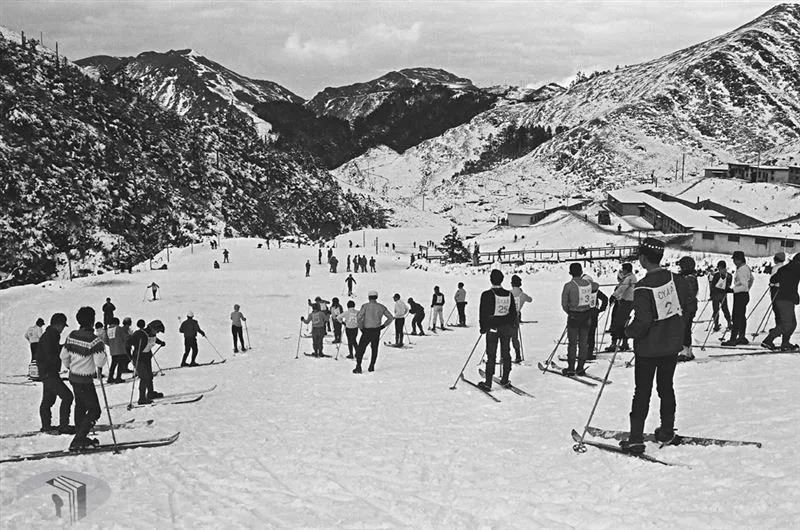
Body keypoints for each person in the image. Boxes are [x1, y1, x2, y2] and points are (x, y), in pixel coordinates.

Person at [620, 238, 689, 454]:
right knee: (666, 387)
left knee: (642, 391)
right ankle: (667, 430)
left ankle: (636, 438)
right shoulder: (676, 280)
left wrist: (626, 332)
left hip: (648, 349)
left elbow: (643, 322)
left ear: (642, 259)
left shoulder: (643, 287)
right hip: (670, 346)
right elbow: (688, 306)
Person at [60, 306, 107, 451]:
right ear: (92, 321)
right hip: (85, 380)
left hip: (73, 377)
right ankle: (79, 438)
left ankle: (81, 436)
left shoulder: (72, 335)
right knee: (94, 410)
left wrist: (70, 367)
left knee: (80, 406)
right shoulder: (94, 340)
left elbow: (63, 356)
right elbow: (100, 361)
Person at [477, 269, 517, 390]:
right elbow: (513, 313)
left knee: (491, 355)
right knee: (506, 353)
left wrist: (483, 327)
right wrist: (509, 324)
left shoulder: (486, 294)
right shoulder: (509, 294)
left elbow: (483, 313)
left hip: (492, 327)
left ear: (491, 280)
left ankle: (488, 382)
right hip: (506, 328)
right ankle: (505, 378)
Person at [37, 313, 75, 435]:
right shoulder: (51, 336)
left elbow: (52, 350)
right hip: (49, 372)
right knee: (67, 396)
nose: (63, 328)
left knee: (48, 400)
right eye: (63, 326)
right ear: (57, 325)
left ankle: (46, 426)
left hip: (46, 372)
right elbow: (50, 354)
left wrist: (63, 347)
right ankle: (63, 425)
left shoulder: (50, 335)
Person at [560, 263, 598, 376]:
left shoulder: (569, 286)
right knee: (583, 342)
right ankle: (580, 367)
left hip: (574, 316)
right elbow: (596, 285)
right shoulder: (588, 283)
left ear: (570, 272)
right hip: (586, 315)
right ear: (581, 272)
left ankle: (571, 368)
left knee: (572, 343)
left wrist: (570, 312)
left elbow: (564, 304)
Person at [762, 253, 800, 351]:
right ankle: (768, 340)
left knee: (792, 323)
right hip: (786, 299)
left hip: (781, 298)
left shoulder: (784, 268)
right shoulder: (797, 268)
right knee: (787, 324)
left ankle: (785, 343)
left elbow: (773, 279)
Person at [354, 291, 394, 373]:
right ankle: (372, 366)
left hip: (366, 330)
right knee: (374, 348)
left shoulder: (365, 306)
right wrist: (383, 326)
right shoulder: (381, 307)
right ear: (376, 297)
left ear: (369, 297)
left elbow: (358, 318)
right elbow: (390, 317)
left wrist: (361, 327)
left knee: (361, 348)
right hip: (376, 330)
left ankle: (358, 366)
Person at [130, 320, 166, 405]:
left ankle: (150, 393)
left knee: (149, 376)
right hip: (139, 358)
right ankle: (141, 398)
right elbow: (129, 342)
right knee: (144, 377)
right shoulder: (140, 334)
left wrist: (161, 343)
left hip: (146, 357)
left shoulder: (152, 334)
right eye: (157, 330)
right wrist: (130, 356)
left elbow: (154, 339)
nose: (157, 332)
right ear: (152, 328)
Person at [722, 251, 753, 346]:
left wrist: (733, 290)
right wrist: (746, 289)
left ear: (739, 260)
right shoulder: (745, 267)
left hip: (740, 295)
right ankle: (741, 337)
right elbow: (752, 279)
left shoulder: (742, 270)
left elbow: (744, 286)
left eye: (735, 260)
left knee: (736, 317)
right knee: (741, 317)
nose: (734, 262)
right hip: (743, 295)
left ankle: (733, 339)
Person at [606, 263, 636, 352]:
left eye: (623, 269)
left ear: (626, 270)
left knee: (617, 321)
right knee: (624, 322)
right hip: (629, 301)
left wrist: (614, 296)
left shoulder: (628, 278)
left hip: (626, 302)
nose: (622, 271)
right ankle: (624, 342)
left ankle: (614, 343)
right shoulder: (631, 277)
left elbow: (622, 288)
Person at [677, 256, 699, 361]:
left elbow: (687, 294)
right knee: (686, 329)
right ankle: (689, 351)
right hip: (690, 307)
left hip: (687, 308)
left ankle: (685, 352)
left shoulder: (689, 279)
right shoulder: (690, 277)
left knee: (684, 329)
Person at [583, 275, 608, 360]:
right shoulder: (596, 290)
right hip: (593, 314)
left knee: (583, 334)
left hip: (583, 314)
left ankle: (582, 353)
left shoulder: (582, 290)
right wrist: (600, 309)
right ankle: (589, 353)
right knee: (591, 334)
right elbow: (605, 299)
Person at [510, 275, 533, 363]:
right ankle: (518, 355)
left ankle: (504, 356)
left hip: (507, 317)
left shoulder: (508, 293)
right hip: (515, 317)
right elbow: (530, 300)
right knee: (515, 338)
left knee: (505, 337)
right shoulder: (522, 295)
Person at [708, 261, 732, 332]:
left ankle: (716, 325)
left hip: (716, 295)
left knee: (716, 310)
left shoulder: (716, 275)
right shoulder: (729, 275)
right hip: (723, 295)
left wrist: (711, 295)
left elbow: (712, 286)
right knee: (725, 309)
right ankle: (729, 323)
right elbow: (728, 285)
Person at [104, 317, 128, 383]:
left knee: (113, 364)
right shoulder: (118, 328)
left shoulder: (108, 330)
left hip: (113, 350)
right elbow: (125, 337)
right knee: (121, 364)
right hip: (121, 349)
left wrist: (111, 345)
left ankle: (110, 377)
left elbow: (105, 340)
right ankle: (118, 378)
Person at [769, 252, 787, 328]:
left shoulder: (776, 268)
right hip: (782, 289)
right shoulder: (785, 267)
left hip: (775, 289)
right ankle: (780, 326)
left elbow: (773, 279)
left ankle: (778, 327)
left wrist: (771, 284)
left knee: (776, 308)